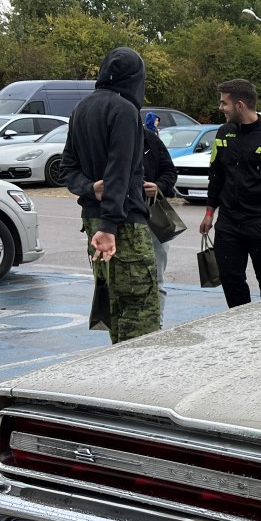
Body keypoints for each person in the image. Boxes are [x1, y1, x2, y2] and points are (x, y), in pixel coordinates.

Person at [58, 46, 161, 343]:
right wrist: (110, 226)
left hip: (95, 225)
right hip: (120, 225)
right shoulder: (125, 110)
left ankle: (118, 364)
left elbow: (67, 168)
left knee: (113, 302)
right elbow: (119, 170)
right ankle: (138, 369)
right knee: (139, 308)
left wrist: (89, 188)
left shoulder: (81, 109)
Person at [199, 78, 261, 307]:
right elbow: (216, 177)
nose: (220, 108)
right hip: (228, 225)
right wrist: (209, 213)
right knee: (231, 281)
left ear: (240, 105)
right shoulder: (223, 134)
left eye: (224, 103)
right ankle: (240, 325)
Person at [142, 111, 178, 302]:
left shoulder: (150, 140)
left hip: (153, 213)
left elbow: (170, 172)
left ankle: (157, 320)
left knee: (156, 281)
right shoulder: (108, 141)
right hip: (120, 216)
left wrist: (158, 186)